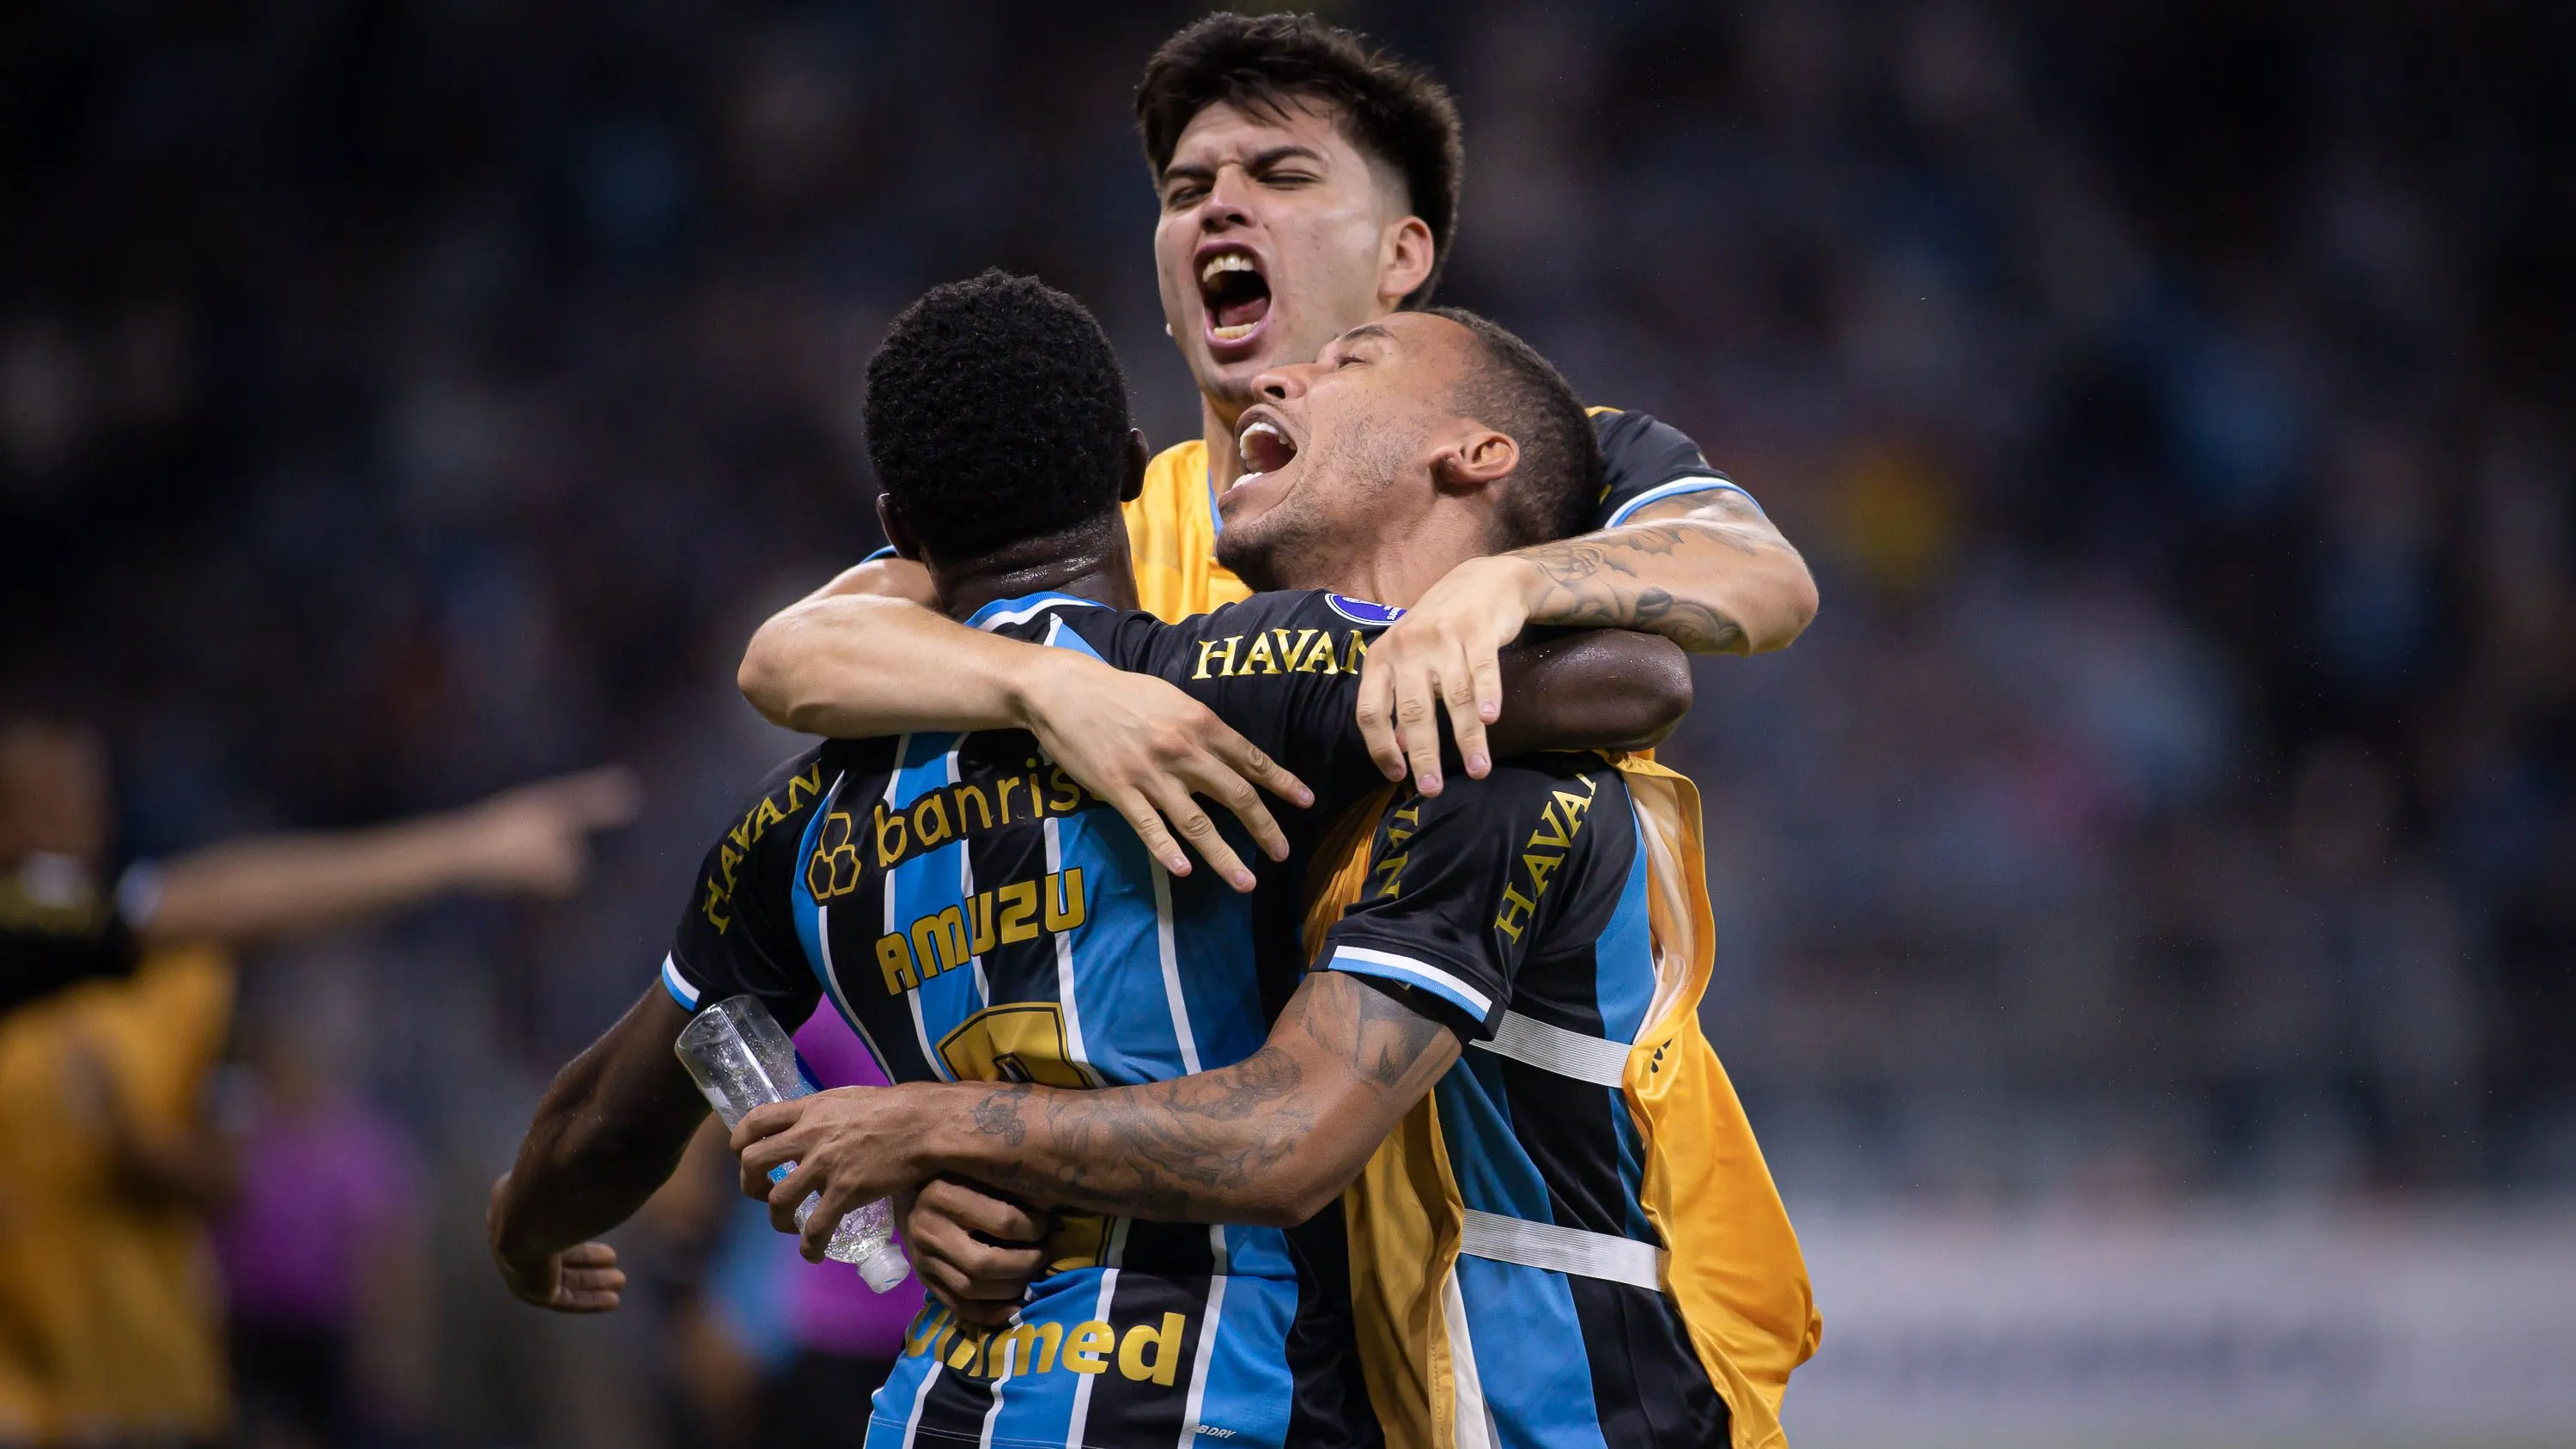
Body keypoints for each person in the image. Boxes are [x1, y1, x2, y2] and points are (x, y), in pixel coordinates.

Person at [484, 271, 1690, 1449]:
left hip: (936, 1406)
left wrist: (526, 1231)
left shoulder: (796, 819)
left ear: (898, 532)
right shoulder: (1226, 680)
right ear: (1127, 468)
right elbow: (1623, 681)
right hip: (1220, 1394)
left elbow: (599, 1121)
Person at [728, 306, 1822, 1447]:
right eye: (1183, 181)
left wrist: (933, 1125)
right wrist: (969, 1188)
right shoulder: (1264, 707)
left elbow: (1286, 1130)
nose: (1279, 380)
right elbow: (788, 650)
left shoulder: (1503, 768)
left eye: (1350, 358)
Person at [737, 11, 1818, 879]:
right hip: (1292, 1125)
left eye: (1282, 176)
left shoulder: (1526, 460)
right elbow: (792, 653)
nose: (1219, 209)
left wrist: (1506, 590)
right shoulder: (1097, 525)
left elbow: (1764, 578)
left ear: (1403, 254)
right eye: (1186, 189)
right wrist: (1049, 688)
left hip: (1608, 1148)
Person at [0, 721, 638, 1445]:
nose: (57, 823)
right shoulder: (36, 956)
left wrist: (135, 1148)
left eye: (76, 796)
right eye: (29, 802)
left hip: (154, 1386)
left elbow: (229, 1173)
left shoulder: (178, 985)